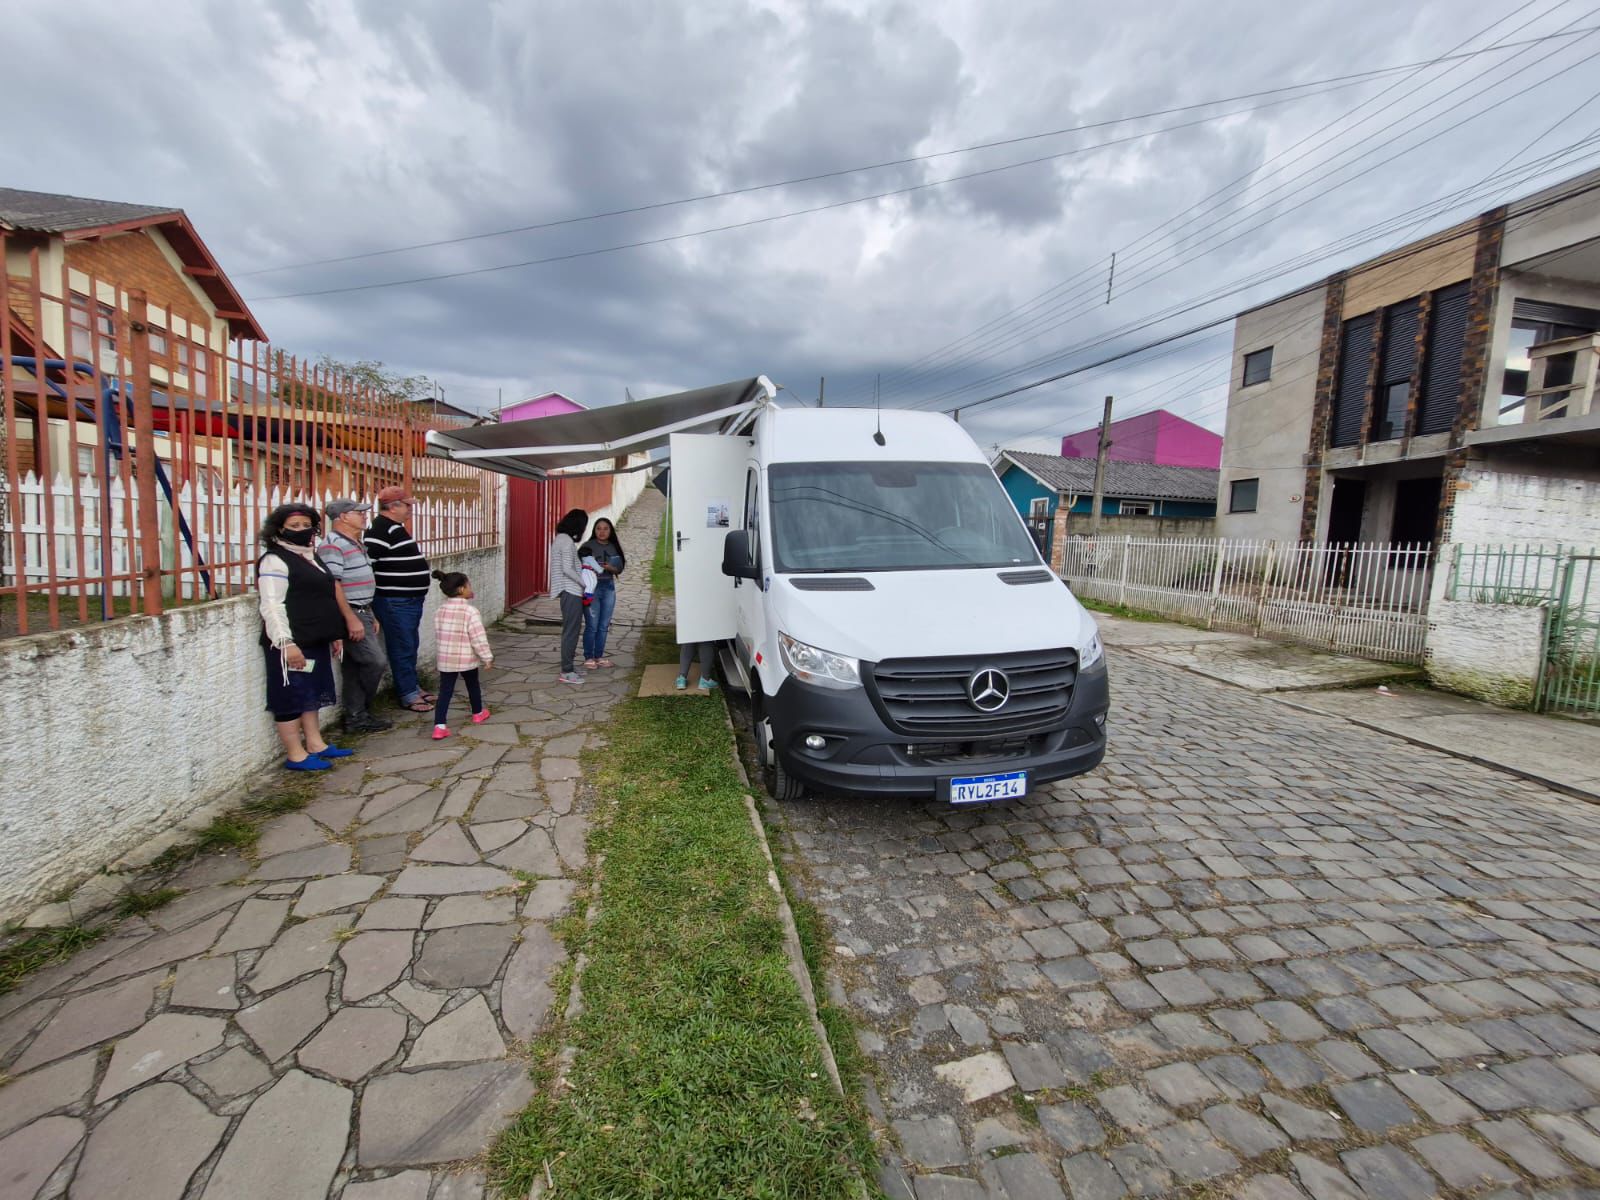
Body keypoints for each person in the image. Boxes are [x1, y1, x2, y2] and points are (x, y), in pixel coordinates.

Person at [256, 503, 356, 771]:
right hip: (291, 643)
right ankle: (296, 754)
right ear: (279, 529)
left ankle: (316, 744)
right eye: (294, 526)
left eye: (306, 525)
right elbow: (272, 605)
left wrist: (334, 633)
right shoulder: (274, 560)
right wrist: (286, 643)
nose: (301, 530)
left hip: (316, 638)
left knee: (310, 694)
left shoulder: (310, 556)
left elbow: (324, 595)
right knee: (290, 696)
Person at [317, 498, 393, 733]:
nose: (364, 516)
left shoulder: (355, 543)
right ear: (342, 517)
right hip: (351, 612)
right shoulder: (332, 545)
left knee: (354, 666)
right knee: (375, 661)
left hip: (363, 610)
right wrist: (351, 617)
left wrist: (370, 613)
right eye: (357, 513)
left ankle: (356, 717)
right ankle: (360, 710)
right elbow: (334, 585)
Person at [366, 485, 434, 713]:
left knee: (410, 643)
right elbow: (369, 566)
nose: (410, 510)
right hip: (395, 601)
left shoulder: (394, 528)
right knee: (402, 645)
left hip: (409, 599)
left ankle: (412, 685)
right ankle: (407, 693)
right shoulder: (380, 531)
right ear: (393, 507)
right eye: (407, 505)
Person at [429, 570, 493, 740]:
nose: (470, 588)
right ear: (460, 589)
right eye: (468, 585)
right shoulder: (470, 612)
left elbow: (438, 633)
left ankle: (439, 725)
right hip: (466, 659)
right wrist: (486, 657)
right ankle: (478, 712)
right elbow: (478, 638)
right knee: (473, 685)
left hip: (446, 660)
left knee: (445, 691)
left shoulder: (440, 610)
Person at [579, 517, 626, 669]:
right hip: (591, 589)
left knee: (604, 625)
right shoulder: (588, 546)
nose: (602, 531)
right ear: (594, 530)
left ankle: (599, 656)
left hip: (608, 587)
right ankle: (588, 657)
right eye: (598, 528)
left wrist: (610, 568)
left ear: (610, 531)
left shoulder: (613, 547)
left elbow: (619, 568)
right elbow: (578, 566)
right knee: (592, 624)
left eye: (605, 528)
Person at [550, 507, 588, 685]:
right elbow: (567, 569)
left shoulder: (561, 539)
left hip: (569, 590)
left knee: (572, 630)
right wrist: (583, 582)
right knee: (571, 632)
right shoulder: (566, 542)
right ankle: (566, 671)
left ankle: (570, 666)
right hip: (570, 590)